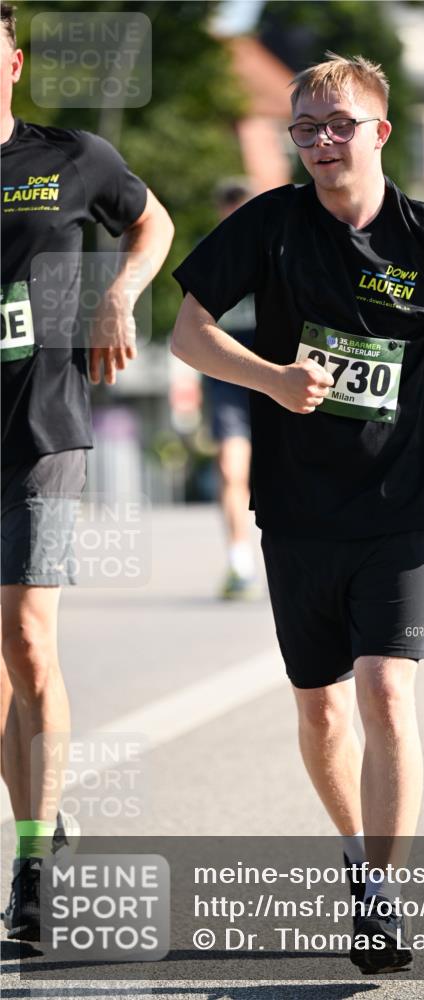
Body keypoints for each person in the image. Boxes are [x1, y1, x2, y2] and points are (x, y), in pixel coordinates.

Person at [172, 53, 424, 974]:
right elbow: (189, 332)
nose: (321, 142)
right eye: (305, 129)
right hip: (296, 511)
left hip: (397, 510)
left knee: (383, 689)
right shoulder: (272, 224)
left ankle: (382, 894)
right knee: (322, 713)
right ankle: (354, 851)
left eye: (338, 125)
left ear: (377, 130)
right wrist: (273, 379)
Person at [0, 2, 174, 940]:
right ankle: (45, 811)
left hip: (43, 427)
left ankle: (30, 875)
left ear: (13, 63)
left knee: (26, 638)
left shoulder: (71, 160)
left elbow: (155, 226)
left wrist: (118, 296)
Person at [202, 179, 260, 599]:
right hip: (226, 372)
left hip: (277, 368)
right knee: (230, 467)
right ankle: (240, 563)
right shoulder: (210, 253)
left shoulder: (279, 246)